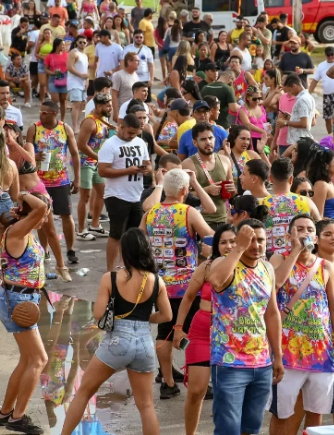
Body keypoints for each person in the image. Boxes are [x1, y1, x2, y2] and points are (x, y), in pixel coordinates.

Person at [59, 228, 172, 435]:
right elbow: (166, 316)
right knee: (146, 405)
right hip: (144, 344)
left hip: (117, 341)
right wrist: (144, 317)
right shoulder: (156, 281)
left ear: (124, 251)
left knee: (84, 392)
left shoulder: (110, 278)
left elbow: (99, 313)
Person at [268, 214, 334, 433]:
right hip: (287, 353)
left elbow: (333, 307)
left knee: (316, 413)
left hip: (320, 352)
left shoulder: (325, 266)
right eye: (300, 229)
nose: (306, 233)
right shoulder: (277, 259)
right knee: (282, 413)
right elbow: (276, 284)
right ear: (289, 235)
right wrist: (295, 251)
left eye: (310, 229)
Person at [141, 168, 214, 399]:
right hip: (187, 285)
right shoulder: (188, 212)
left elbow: (140, 243)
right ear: (185, 190)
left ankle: (168, 382)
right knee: (194, 332)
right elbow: (212, 236)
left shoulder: (150, 213)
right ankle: (195, 379)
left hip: (159, 284)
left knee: (164, 331)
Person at [207, 219, 284, 435]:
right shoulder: (224, 262)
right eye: (251, 240)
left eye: (261, 240)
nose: (256, 245)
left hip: (261, 363)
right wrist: (238, 248)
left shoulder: (267, 268)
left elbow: (272, 313)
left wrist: (277, 356)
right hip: (229, 362)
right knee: (228, 429)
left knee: (251, 427)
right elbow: (215, 280)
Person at [0, 192, 50, 434]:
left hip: (24, 298)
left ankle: (5, 412)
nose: (46, 218)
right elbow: (38, 209)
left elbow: (38, 211)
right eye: (46, 213)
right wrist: (25, 194)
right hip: (18, 301)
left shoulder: (24, 232)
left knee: (28, 359)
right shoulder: (17, 231)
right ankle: (17, 418)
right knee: (39, 360)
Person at [173, 224, 236, 434]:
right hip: (201, 332)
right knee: (197, 390)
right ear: (217, 246)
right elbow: (189, 297)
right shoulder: (207, 267)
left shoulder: (248, 268)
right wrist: (179, 327)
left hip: (232, 335)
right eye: (223, 242)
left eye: (233, 241)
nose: (228, 246)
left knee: (227, 393)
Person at [26, 100, 79, 278]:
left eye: (45, 112)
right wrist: (34, 155)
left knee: (66, 215)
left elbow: (74, 153)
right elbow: (26, 153)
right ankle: (44, 249)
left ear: (55, 113)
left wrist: (77, 178)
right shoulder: (34, 128)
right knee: (41, 217)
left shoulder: (65, 129)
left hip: (61, 180)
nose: (41, 114)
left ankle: (70, 250)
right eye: (40, 111)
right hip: (40, 181)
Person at [98, 114, 151, 271]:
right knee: (116, 234)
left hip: (136, 194)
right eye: (130, 133)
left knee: (134, 234)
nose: (132, 136)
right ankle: (110, 270)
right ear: (121, 126)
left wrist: (147, 170)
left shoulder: (140, 143)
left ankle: (126, 265)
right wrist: (128, 170)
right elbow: (103, 171)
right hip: (116, 195)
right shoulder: (109, 145)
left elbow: (148, 164)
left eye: (135, 133)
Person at [260, 158, 321, 258]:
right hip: (301, 258)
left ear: (270, 179)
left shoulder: (261, 203)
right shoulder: (307, 202)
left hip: (270, 261)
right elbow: (320, 226)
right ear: (291, 179)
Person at [180, 122, 236, 229]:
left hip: (223, 219)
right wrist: (206, 190)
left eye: (210, 138)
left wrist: (233, 189)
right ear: (195, 143)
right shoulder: (187, 164)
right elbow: (182, 197)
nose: (208, 142)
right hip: (200, 222)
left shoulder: (225, 161)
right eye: (203, 139)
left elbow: (232, 193)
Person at [76, 93, 113, 241]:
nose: (110, 108)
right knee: (85, 196)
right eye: (108, 105)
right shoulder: (89, 122)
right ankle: (81, 230)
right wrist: (99, 158)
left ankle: (95, 225)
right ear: (98, 106)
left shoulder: (104, 120)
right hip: (85, 163)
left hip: (97, 162)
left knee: (102, 192)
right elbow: (81, 145)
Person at [309, 47, 334, 133]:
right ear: (325, 55)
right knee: (328, 118)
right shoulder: (321, 65)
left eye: (332, 54)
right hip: (327, 95)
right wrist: (308, 93)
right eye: (328, 55)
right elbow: (315, 80)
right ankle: (330, 135)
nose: (330, 56)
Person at [277, 74, 315, 145]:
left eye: (290, 90)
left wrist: (286, 123)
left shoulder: (302, 100)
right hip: (300, 140)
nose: (290, 93)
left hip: (299, 141)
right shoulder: (309, 97)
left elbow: (304, 123)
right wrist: (291, 117)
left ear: (294, 86)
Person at [306, 148, 334, 220]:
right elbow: (318, 217)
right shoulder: (321, 184)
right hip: (325, 229)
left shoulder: (329, 182)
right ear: (326, 166)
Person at [122, 30, 155, 101]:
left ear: (143, 38)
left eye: (141, 37)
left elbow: (151, 66)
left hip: (145, 79)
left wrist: (151, 79)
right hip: (131, 78)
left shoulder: (147, 50)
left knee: (146, 100)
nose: (139, 39)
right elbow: (123, 64)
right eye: (137, 37)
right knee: (132, 100)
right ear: (133, 38)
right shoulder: (127, 49)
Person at [67, 35, 89, 132]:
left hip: (83, 83)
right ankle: (75, 126)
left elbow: (86, 70)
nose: (82, 44)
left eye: (84, 42)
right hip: (74, 82)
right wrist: (80, 75)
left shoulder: (84, 55)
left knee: (82, 105)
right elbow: (69, 67)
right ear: (76, 43)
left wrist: (87, 81)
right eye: (80, 42)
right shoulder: (73, 52)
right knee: (76, 104)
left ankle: (77, 124)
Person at [112, 53, 141, 119]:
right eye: (137, 61)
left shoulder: (136, 75)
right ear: (129, 62)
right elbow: (114, 96)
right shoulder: (118, 75)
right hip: (123, 112)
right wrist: (115, 113)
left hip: (134, 112)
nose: (139, 63)